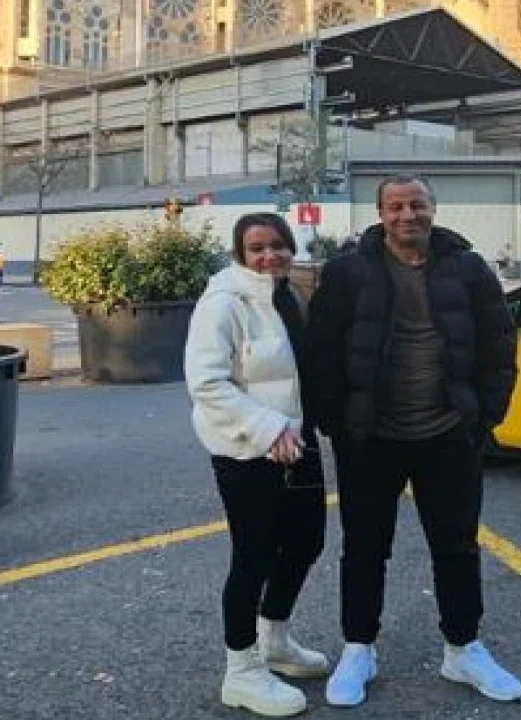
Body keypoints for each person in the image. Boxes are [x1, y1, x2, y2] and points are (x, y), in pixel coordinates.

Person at [307, 175, 521, 707]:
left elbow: (499, 343)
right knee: (364, 548)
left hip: (448, 434)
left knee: (456, 547)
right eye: (396, 206)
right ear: (381, 213)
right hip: (370, 438)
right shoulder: (348, 272)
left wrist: (484, 416)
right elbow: (321, 350)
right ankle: (359, 649)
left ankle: (462, 649)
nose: (408, 215)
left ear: (433, 208)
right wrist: (337, 423)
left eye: (417, 205)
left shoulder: (468, 268)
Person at [184, 213, 330, 717]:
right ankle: (241, 671)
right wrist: (268, 428)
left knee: (307, 541)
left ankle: (275, 639)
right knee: (254, 556)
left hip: (298, 444)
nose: (270, 256)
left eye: (278, 245)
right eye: (257, 248)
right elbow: (206, 383)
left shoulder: (289, 296)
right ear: (240, 255)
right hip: (248, 451)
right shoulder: (224, 303)